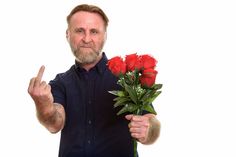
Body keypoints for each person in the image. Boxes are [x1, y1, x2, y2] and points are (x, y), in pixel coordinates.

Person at [28, 4, 161, 157]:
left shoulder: (128, 78)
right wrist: (43, 105)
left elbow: (152, 121)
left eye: (94, 31)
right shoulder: (60, 83)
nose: (86, 39)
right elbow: (55, 124)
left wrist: (149, 129)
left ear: (105, 35)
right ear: (67, 34)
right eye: (79, 31)